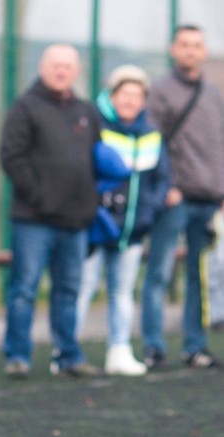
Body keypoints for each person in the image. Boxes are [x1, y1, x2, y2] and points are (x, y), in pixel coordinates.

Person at [0, 43, 101, 379]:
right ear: (43, 68)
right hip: (34, 219)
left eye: (68, 66)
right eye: (56, 65)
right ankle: (17, 356)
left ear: (77, 71)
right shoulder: (25, 107)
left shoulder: (86, 110)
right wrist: (39, 196)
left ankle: (69, 356)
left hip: (75, 221)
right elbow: (11, 156)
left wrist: (90, 203)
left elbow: (97, 159)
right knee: (24, 290)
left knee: (69, 291)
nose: (62, 71)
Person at [76, 65, 170, 376]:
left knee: (122, 292)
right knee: (84, 286)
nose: (130, 101)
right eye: (124, 94)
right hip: (97, 227)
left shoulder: (152, 135)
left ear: (144, 101)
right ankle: (67, 351)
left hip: (132, 231)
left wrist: (148, 211)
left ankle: (119, 351)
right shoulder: (95, 126)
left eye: (136, 96)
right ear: (113, 96)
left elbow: (161, 179)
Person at [141, 24, 224, 370]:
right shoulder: (159, 91)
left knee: (199, 278)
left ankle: (195, 347)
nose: (191, 51)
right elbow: (151, 143)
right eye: (184, 45)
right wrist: (167, 186)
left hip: (209, 199)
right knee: (159, 272)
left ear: (203, 51)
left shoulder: (214, 93)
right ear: (174, 49)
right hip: (174, 199)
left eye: (196, 45)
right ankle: (154, 347)